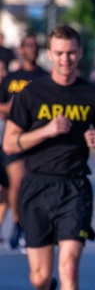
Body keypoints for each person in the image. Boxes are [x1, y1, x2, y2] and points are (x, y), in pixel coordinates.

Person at [3, 25, 95, 290]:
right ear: (49, 54)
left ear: (79, 53)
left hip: (75, 188)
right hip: (37, 187)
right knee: (41, 275)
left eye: (71, 52)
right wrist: (48, 130)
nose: (65, 59)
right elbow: (10, 144)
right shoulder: (32, 94)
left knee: (70, 266)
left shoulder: (92, 96)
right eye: (59, 52)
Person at [0, 33, 46, 251]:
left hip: (39, 139)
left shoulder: (45, 77)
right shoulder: (10, 78)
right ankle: (18, 223)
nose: (33, 49)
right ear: (21, 49)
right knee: (17, 182)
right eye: (28, 45)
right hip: (13, 139)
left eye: (36, 46)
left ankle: (34, 226)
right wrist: (9, 109)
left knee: (36, 184)